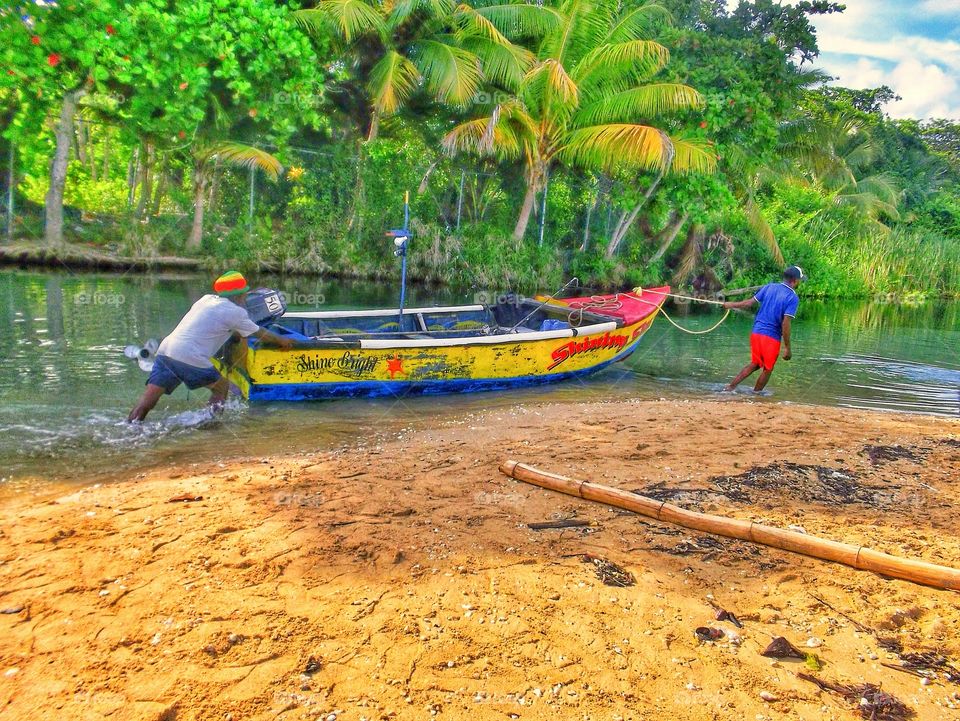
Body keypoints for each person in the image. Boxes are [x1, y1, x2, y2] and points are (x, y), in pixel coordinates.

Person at [127, 271, 294, 422]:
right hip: (189, 356)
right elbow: (260, 333)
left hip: (166, 351)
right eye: (244, 293)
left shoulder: (205, 300)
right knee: (222, 387)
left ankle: (131, 424)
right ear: (239, 295)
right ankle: (212, 423)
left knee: (150, 397)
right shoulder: (236, 313)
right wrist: (282, 342)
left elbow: (221, 328)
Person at [722, 265, 806, 393]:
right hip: (771, 337)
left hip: (756, 332)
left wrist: (730, 305)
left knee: (755, 364)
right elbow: (786, 324)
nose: (800, 282)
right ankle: (756, 395)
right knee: (768, 368)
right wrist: (788, 348)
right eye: (800, 280)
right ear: (794, 280)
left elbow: (749, 303)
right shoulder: (792, 297)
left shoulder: (769, 287)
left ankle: (729, 388)